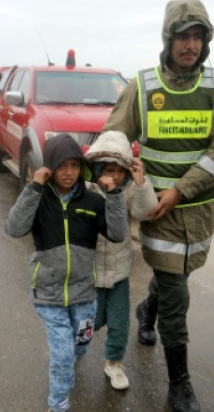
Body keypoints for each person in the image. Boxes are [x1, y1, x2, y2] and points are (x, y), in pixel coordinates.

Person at [103, 0, 214, 412]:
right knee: (178, 292)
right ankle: (179, 383)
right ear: (168, 39)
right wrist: (110, 176)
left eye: (198, 36)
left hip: (197, 210)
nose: (191, 44)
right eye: (183, 35)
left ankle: (147, 309)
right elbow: (114, 136)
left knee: (178, 273)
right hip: (154, 211)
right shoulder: (143, 86)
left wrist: (181, 190)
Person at [4, 133, 129, 412]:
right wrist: (34, 187)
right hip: (48, 294)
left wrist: (114, 195)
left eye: (74, 165)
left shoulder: (93, 201)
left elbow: (118, 233)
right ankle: (58, 404)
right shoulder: (38, 198)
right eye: (62, 166)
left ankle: (68, 364)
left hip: (84, 294)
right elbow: (13, 228)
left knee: (79, 347)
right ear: (49, 167)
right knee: (62, 354)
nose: (69, 173)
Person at [84, 130, 158, 391]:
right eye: (107, 169)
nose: (113, 175)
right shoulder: (86, 190)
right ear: (96, 167)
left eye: (118, 170)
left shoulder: (128, 189)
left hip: (119, 271)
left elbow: (145, 213)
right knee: (90, 320)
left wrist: (141, 183)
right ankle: (72, 351)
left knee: (118, 321)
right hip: (89, 272)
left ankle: (114, 363)